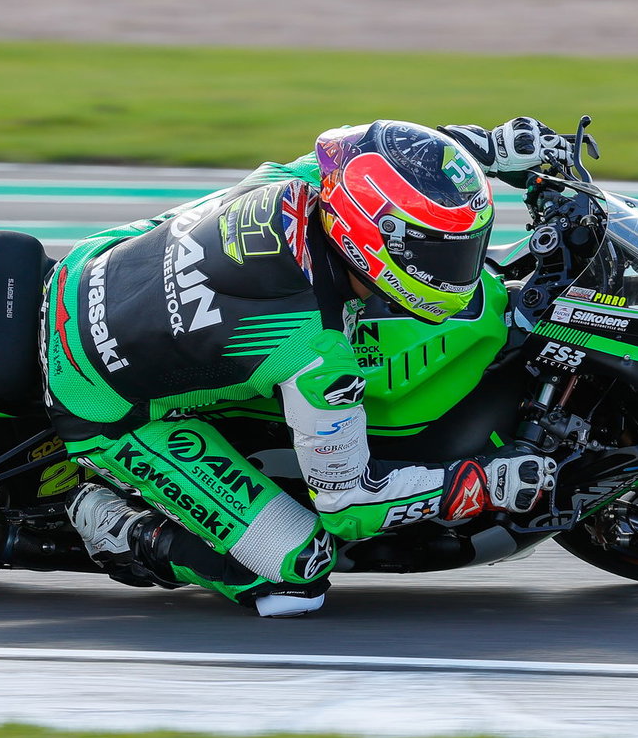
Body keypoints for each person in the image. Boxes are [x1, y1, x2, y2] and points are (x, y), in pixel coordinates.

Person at [44, 117, 570, 616]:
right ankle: (121, 529)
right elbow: (349, 503)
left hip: (87, 267)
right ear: (374, 241)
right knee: (300, 573)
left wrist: (491, 147)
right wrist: (478, 481)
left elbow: (387, 158)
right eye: (446, 253)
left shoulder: (305, 183)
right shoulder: (317, 350)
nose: (464, 267)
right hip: (98, 397)